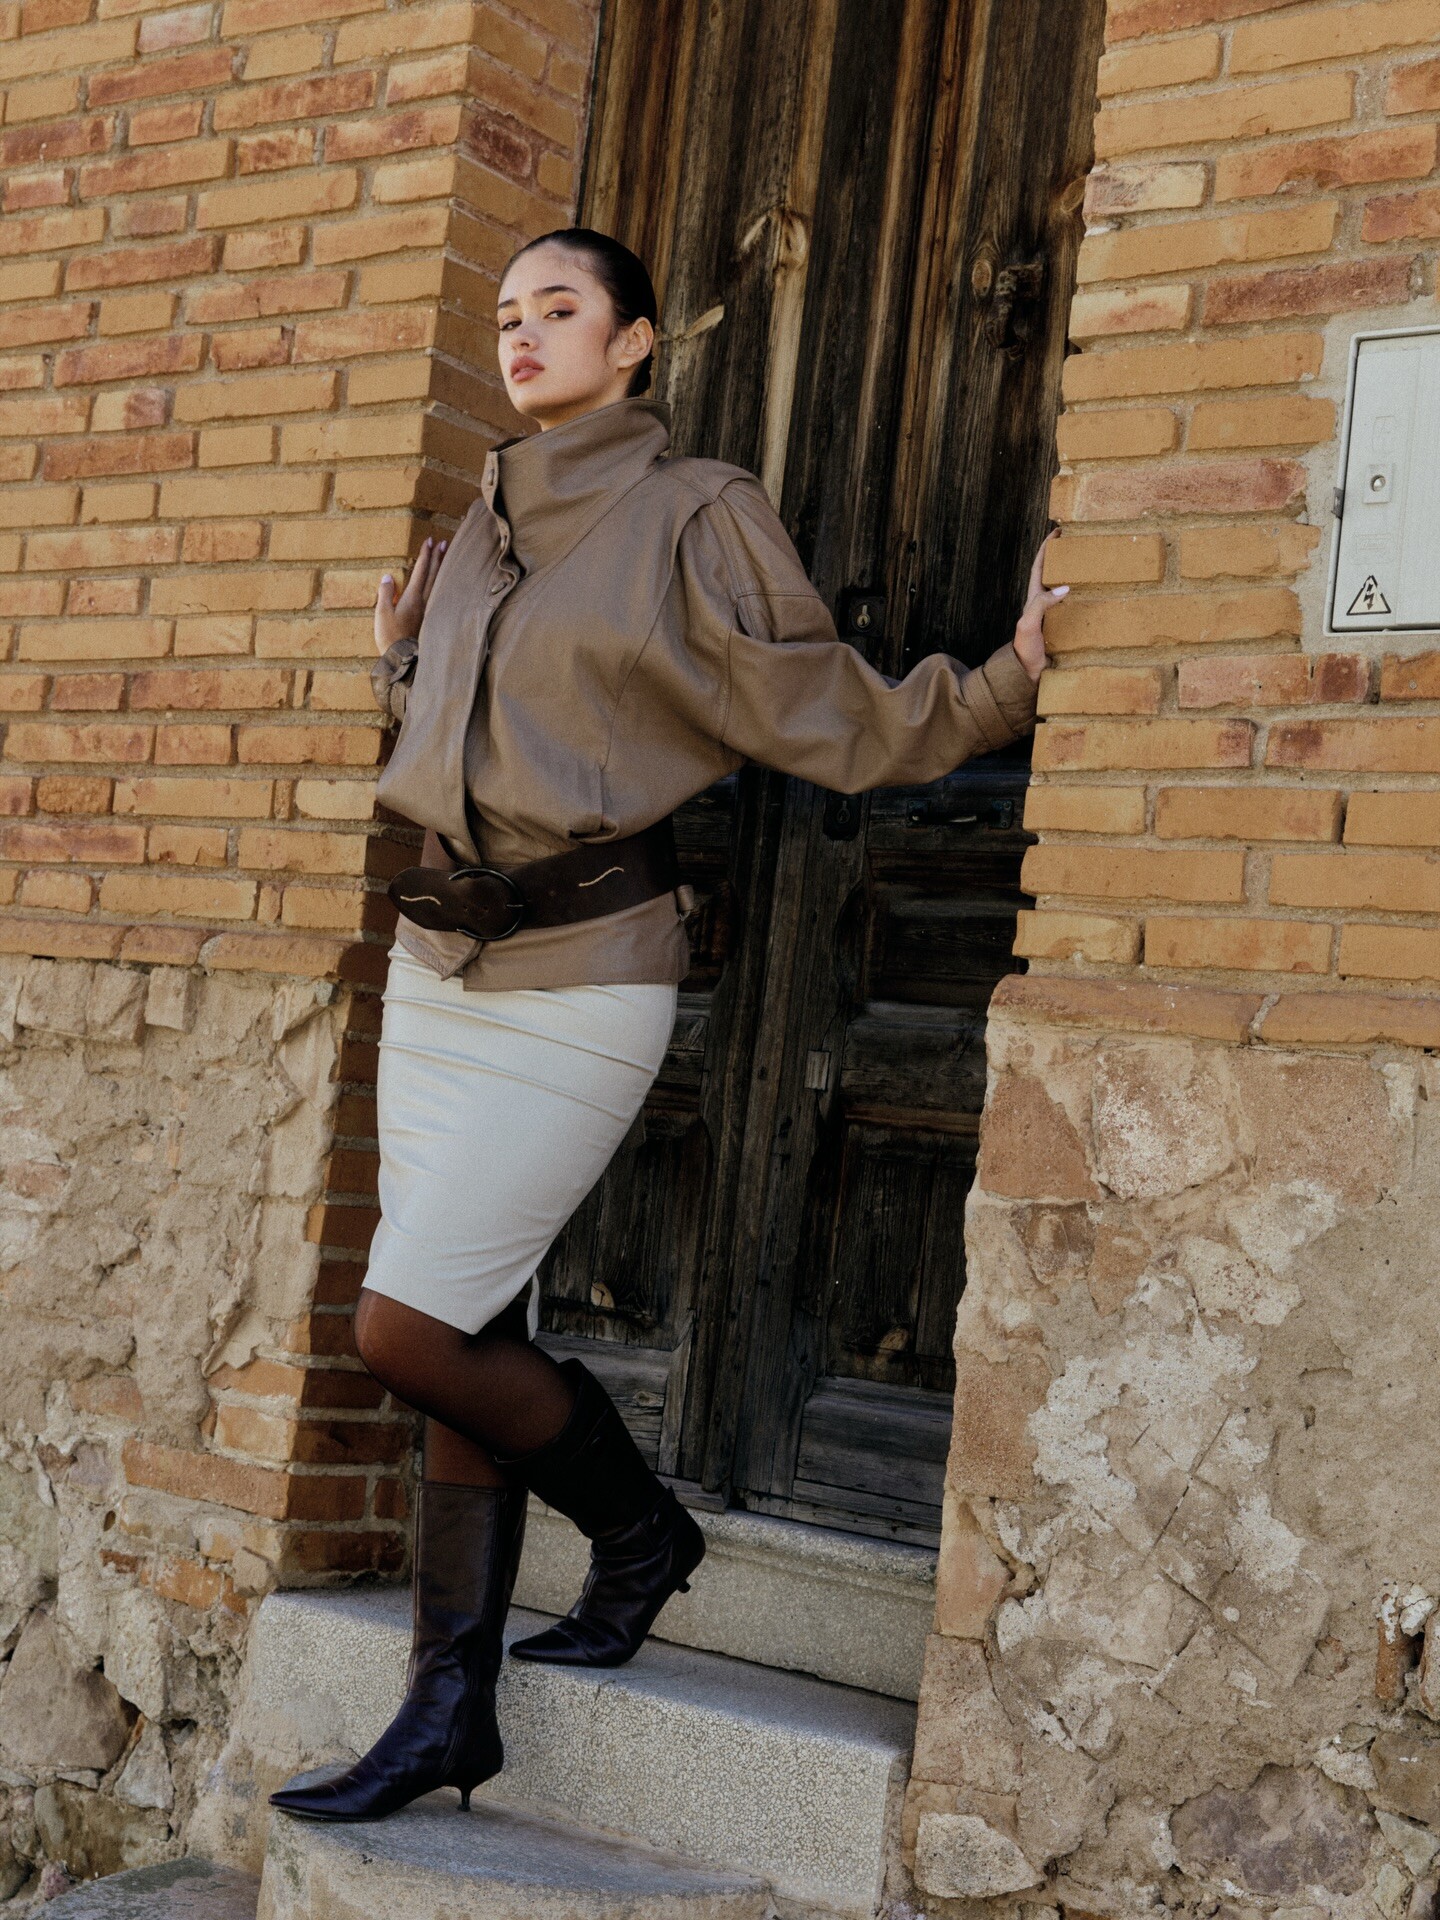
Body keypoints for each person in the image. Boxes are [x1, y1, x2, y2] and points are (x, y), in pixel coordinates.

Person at [269, 228, 1067, 1827]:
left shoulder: (697, 512)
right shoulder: (479, 526)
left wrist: (994, 692)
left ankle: (640, 1535)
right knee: (461, 1324)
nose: (521, 334)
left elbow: (815, 703)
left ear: (635, 341)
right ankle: (448, 1708)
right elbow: (473, 739)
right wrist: (403, 663)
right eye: (508, 313)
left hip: (587, 974)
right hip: (439, 974)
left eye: (558, 308)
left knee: (404, 1329)